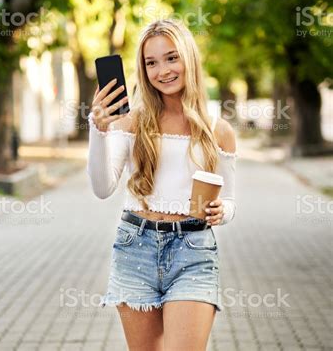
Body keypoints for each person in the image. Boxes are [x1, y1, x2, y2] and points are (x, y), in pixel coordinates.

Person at [86, 19, 237, 351]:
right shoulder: (131, 122)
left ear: (188, 59)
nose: (162, 70)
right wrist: (97, 130)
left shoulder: (218, 130)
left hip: (193, 251)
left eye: (171, 58)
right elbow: (102, 188)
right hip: (135, 247)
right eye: (150, 62)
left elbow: (230, 203)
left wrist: (220, 210)